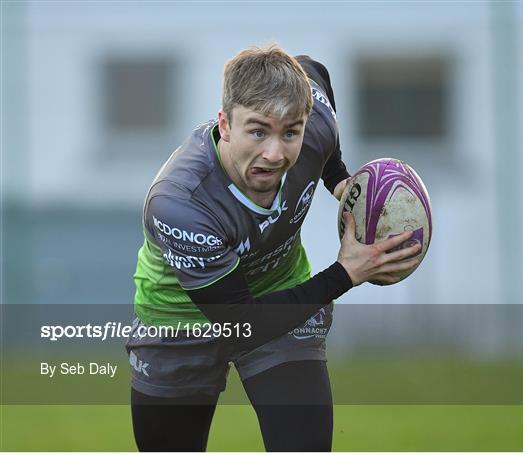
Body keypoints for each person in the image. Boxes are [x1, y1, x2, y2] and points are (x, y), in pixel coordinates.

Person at [126, 45, 420, 452]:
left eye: (291, 133)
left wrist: (337, 178)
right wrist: (345, 274)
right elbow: (241, 323)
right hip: (179, 318)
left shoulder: (316, 120)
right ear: (225, 124)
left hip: (280, 291)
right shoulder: (181, 203)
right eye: (258, 131)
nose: (275, 153)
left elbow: (313, 69)